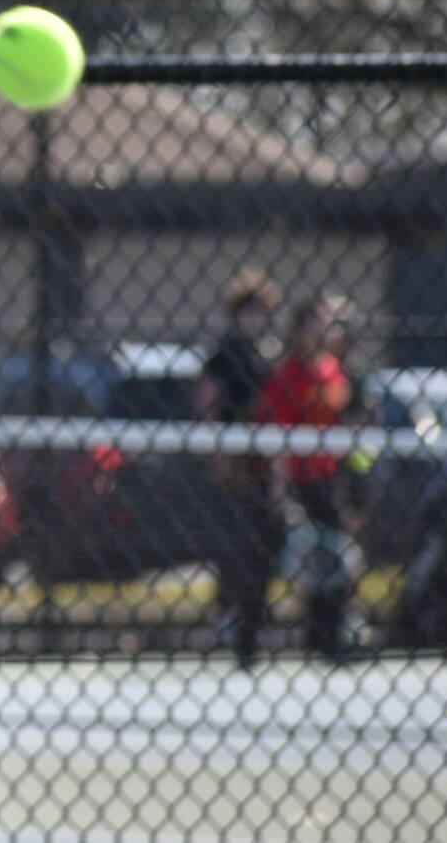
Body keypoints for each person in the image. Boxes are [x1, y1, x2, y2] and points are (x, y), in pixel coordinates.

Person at [252, 293, 359, 662]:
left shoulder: (332, 369)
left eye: (328, 322)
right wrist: (281, 490)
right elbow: (278, 435)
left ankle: (329, 638)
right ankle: (258, 637)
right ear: (299, 330)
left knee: (335, 559)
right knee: (300, 561)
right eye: (317, 322)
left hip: (330, 479)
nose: (326, 329)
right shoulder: (289, 373)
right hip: (298, 481)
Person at [191, 268, 285, 668]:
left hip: (265, 463)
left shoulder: (270, 352)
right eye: (247, 309)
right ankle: (229, 614)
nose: (254, 317)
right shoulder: (224, 353)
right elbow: (207, 404)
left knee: (268, 543)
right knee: (234, 545)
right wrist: (221, 457)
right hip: (235, 462)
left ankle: (251, 620)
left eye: (260, 309)